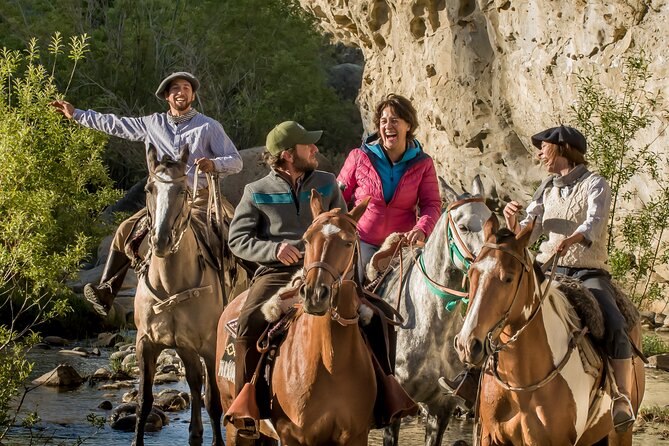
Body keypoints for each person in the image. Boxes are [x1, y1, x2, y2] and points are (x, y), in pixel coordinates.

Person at [50, 72, 242, 318]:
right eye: (175, 89)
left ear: (192, 95)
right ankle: (107, 291)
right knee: (124, 230)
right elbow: (116, 124)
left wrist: (213, 164)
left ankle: (248, 288)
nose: (181, 92)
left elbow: (236, 162)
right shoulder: (152, 124)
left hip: (200, 197)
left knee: (233, 230)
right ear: (166, 96)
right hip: (163, 201)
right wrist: (76, 114)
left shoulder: (209, 126)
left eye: (186, 88)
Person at [503, 125, 635, 432]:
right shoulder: (545, 188)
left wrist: (571, 240)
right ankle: (477, 377)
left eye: (544, 147)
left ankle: (622, 399)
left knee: (614, 321)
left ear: (562, 148)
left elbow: (595, 223)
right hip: (547, 269)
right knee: (502, 305)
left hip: (587, 271)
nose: (539, 153)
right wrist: (513, 221)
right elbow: (529, 231)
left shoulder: (595, 183)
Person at [224, 120, 347, 436]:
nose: (315, 149)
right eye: (308, 145)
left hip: (328, 269)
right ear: (289, 154)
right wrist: (273, 249)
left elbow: (345, 226)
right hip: (277, 274)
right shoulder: (256, 191)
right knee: (248, 325)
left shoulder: (328, 183)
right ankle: (246, 409)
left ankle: (386, 392)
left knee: (376, 316)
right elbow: (237, 240)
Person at [337, 93, 441, 274]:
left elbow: (431, 204)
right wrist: (342, 234)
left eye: (395, 120)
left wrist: (422, 229)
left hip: (401, 244)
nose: (388, 126)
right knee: (352, 289)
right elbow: (338, 200)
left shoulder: (423, 163)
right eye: (383, 121)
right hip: (362, 241)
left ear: (408, 125)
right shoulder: (359, 156)